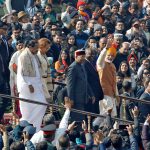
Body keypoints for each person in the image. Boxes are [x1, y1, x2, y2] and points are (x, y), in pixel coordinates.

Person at [17, 40, 47, 131]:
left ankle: (35, 127)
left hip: (36, 84)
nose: (37, 49)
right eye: (36, 48)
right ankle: (27, 126)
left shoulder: (34, 55)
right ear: (30, 47)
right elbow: (22, 73)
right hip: (28, 86)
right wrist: (29, 84)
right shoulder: (24, 56)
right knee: (28, 109)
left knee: (42, 104)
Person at [66, 50, 94, 121]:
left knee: (81, 118)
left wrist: (91, 94)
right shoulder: (73, 67)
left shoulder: (82, 66)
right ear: (76, 57)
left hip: (83, 98)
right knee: (77, 119)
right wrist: (71, 99)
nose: (83, 58)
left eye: (84, 56)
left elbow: (86, 82)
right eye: (81, 57)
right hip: (76, 99)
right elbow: (70, 85)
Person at [97, 40, 118, 117]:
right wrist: (105, 49)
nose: (110, 57)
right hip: (104, 93)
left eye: (112, 56)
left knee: (113, 115)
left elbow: (114, 82)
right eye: (109, 55)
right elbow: (99, 60)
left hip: (112, 94)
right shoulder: (102, 64)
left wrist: (117, 96)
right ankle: (96, 126)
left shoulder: (113, 66)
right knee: (105, 115)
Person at [83, 48, 104, 114]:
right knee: (91, 113)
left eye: (93, 54)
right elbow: (86, 80)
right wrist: (91, 94)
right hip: (91, 94)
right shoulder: (84, 64)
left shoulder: (91, 63)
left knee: (96, 113)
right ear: (85, 54)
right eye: (90, 54)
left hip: (96, 92)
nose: (92, 56)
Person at [37, 38, 53, 102]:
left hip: (46, 79)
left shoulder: (44, 55)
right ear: (41, 46)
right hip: (40, 81)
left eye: (48, 48)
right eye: (46, 48)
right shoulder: (37, 55)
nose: (48, 49)